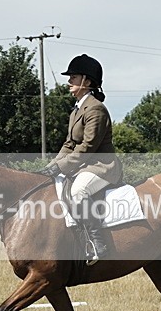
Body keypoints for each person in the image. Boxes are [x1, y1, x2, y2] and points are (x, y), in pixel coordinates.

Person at [39, 54, 122, 265]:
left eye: (73, 77)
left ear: (86, 81)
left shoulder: (96, 109)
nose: (69, 82)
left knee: (78, 191)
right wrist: (51, 166)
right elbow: (69, 144)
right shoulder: (77, 110)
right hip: (84, 166)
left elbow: (88, 147)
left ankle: (96, 243)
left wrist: (61, 166)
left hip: (102, 167)